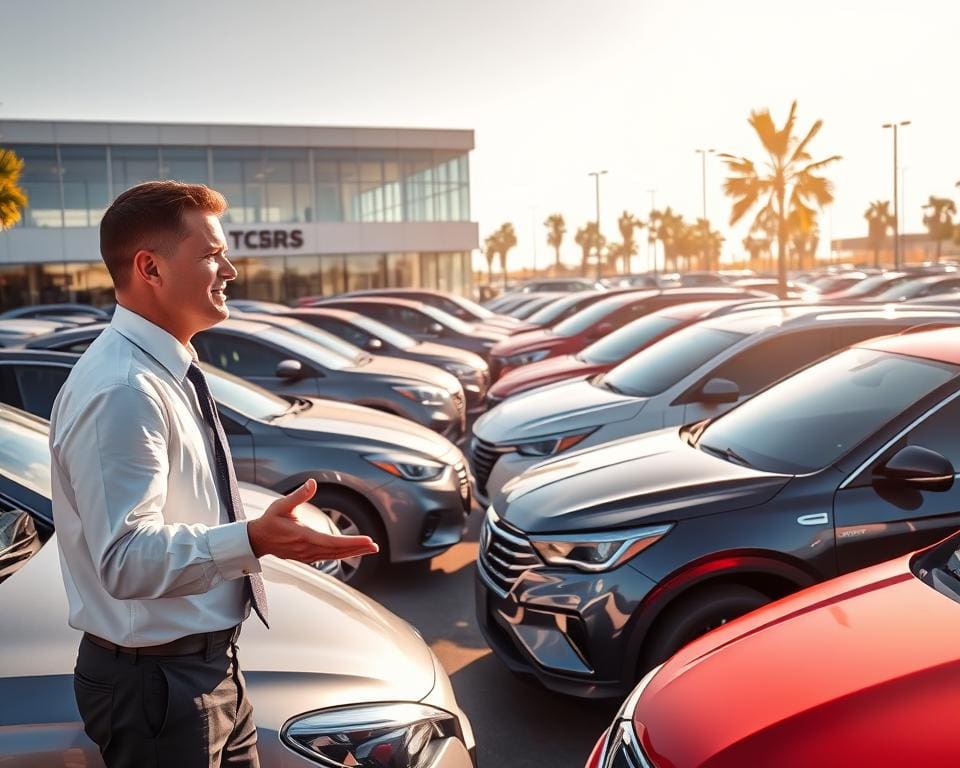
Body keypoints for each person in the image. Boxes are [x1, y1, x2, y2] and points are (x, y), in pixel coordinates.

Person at [49, 181, 379, 767]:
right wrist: (252, 539)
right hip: (159, 688)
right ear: (149, 267)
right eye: (210, 254)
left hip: (204, 669)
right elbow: (124, 559)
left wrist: (253, 534)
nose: (229, 269)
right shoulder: (123, 388)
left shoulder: (163, 370)